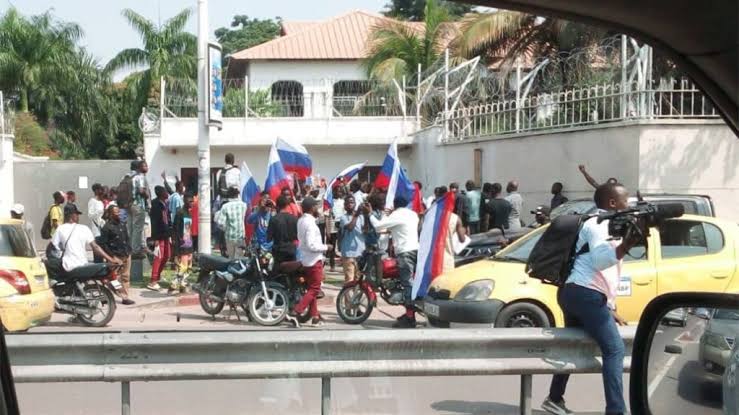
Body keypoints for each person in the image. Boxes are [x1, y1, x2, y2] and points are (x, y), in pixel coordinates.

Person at [542, 182, 637, 415]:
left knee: (573, 347)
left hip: (576, 293)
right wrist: (626, 246)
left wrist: (610, 307)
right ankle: (616, 411)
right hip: (584, 294)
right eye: (626, 200)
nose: (630, 204)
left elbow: (604, 274)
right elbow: (600, 261)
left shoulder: (610, 225)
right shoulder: (598, 225)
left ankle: (554, 398)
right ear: (613, 203)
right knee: (614, 350)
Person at [365, 195, 419, 328]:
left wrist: (370, 213)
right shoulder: (413, 214)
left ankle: (410, 317)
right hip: (416, 249)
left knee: (407, 283)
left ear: (394, 204)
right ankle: (408, 312)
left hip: (404, 252)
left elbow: (378, 227)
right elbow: (394, 228)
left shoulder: (396, 215)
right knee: (406, 282)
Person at [290, 196, 331, 327]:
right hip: (313, 260)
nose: (318, 209)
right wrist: (326, 247)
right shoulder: (310, 224)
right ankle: (296, 311)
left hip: (306, 259)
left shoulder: (301, 221)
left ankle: (315, 317)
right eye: (316, 206)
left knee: (311, 288)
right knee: (315, 288)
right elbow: (312, 245)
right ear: (312, 208)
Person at [51, 204, 121, 273]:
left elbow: (54, 247)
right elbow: (95, 247)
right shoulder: (84, 228)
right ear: (72, 215)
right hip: (84, 266)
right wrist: (111, 259)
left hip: (68, 267)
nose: (78, 217)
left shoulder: (60, 229)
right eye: (77, 214)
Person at [98, 205, 135, 305]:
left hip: (126, 254)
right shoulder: (107, 227)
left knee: (125, 277)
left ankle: (125, 297)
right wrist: (111, 257)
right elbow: (103, 244)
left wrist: (129, 251)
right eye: (116, 212)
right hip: (115, 256)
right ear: (110, 214)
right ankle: (104, 296)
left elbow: (126, 239)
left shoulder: (123, 225)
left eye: (119, 211)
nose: (118, 213)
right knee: (113, 278)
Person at [436, 187, 467, 273]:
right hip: (447, 259)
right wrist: (463, 230)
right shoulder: (456, 218)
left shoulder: (429, 217)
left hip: (431, 261)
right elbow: (462, 239)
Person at [147, 186, 171, 291]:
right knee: (158, 257)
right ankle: (153, 281)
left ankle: (158, 276)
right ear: (161, 193)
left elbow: (167, 219)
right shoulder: (156, 205)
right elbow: (155, 222)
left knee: (167, 256)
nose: (167, 193)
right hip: (159, 236)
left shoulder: (164, 204)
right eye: (165, 191)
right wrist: (155, 238)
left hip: (166, 235)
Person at [171, 194, 195, 294]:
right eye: (190, 201)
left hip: (186, 241)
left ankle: (182, 284)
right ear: (185, 201)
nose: (192, 203)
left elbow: (186, 230)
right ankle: (174, 283)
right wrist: (178, 243)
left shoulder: (186, 213)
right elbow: (178, 230)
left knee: (187, 265)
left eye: (192, 201)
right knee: (184, 265)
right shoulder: (182, 213)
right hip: (183, 242)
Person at [215, 187, 248, 259]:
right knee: (240, 258)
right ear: (237, 195)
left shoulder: (225, 207)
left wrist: (226, 229)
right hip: (240, 237)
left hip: (229, 237)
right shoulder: (244, 205)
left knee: (231, 259)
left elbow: (220, 223)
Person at [339, 195, 365, 282]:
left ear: (355, 204)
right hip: (348, 253)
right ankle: (346, 295)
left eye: (352, 202)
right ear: (345, 206)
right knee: (349, 279)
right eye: (348, 203)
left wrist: (367, 214)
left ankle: (356, 296)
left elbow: (367, 229)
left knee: (359, 280)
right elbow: (350, 227)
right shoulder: (343, 217)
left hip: (360, 252)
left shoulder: (361, 217)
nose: (350, 204)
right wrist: (356, 215)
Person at [267, 195, 298, 266]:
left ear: (277, 206)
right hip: (291, 250)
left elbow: (269, 238)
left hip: (279, 252)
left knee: (277, 275)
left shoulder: (274, 219)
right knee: (291, 272)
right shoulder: (294, 219)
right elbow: (297, 237)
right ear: (287, 205)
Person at [129, 160, 151, 256]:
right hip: (138, 204)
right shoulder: (139, 176)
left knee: (131, 227)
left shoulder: (126, 176)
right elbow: (141, 190)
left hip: (128, 205)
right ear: (139, 167)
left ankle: (130, 248)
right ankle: (136, 250)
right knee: (138, 228)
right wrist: (147, 196)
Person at [327, 186, 346, 272]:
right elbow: (327, 216)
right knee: (332, 247)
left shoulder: (343, 202)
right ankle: (332, 265)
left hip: (341, 226)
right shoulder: (330, 202)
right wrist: (327, 230)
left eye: (340, 192)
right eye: (337, 191)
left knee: (342, 245)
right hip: (332, 227)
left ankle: (344, 263)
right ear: (334, 192)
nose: (339, 193)